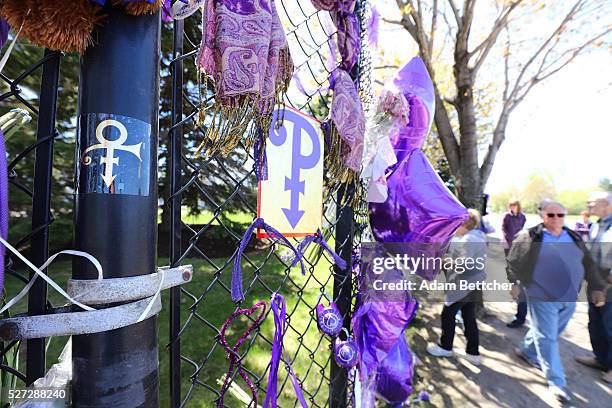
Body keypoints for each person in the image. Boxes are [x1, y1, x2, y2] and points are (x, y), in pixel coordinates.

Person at [507, 200, 606, 404]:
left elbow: (588, 264)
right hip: (540, 295)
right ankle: (557, 382)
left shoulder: (573, 236)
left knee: (550, 332)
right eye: (550, 215)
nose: (556, 219)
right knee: (548, 337)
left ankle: (526, 351)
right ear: (542, 216)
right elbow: (514, 261)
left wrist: (596, 288)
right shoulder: (530, 236)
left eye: (560, 215)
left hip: (569, 297)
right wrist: (515, 283)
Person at [427, 209, 487, 365]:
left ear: (464, 223)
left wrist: (444, 260)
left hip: (463, 286)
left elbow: (463, 264)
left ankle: (445, 347)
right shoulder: (478, 237)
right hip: (474, 284)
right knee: (468, 317)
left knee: (448, 314)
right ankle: (473, 353)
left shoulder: (468, 240)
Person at [575, 192, 612, 384]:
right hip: (595, 283)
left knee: (610, 326)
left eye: (592, 204)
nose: (589, 207)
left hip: (608, 285)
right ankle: (601, 359)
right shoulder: (598, 224)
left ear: (606, 205)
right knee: (595, 323)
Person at [502, 199, 527, 328]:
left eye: (514, 205)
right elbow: (504, 229)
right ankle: (513, 287)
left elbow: (522, 230)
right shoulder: (507, 216)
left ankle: (520, 316)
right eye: (510, 205)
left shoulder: (523, 217)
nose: (512, 207)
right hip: (509, 244)